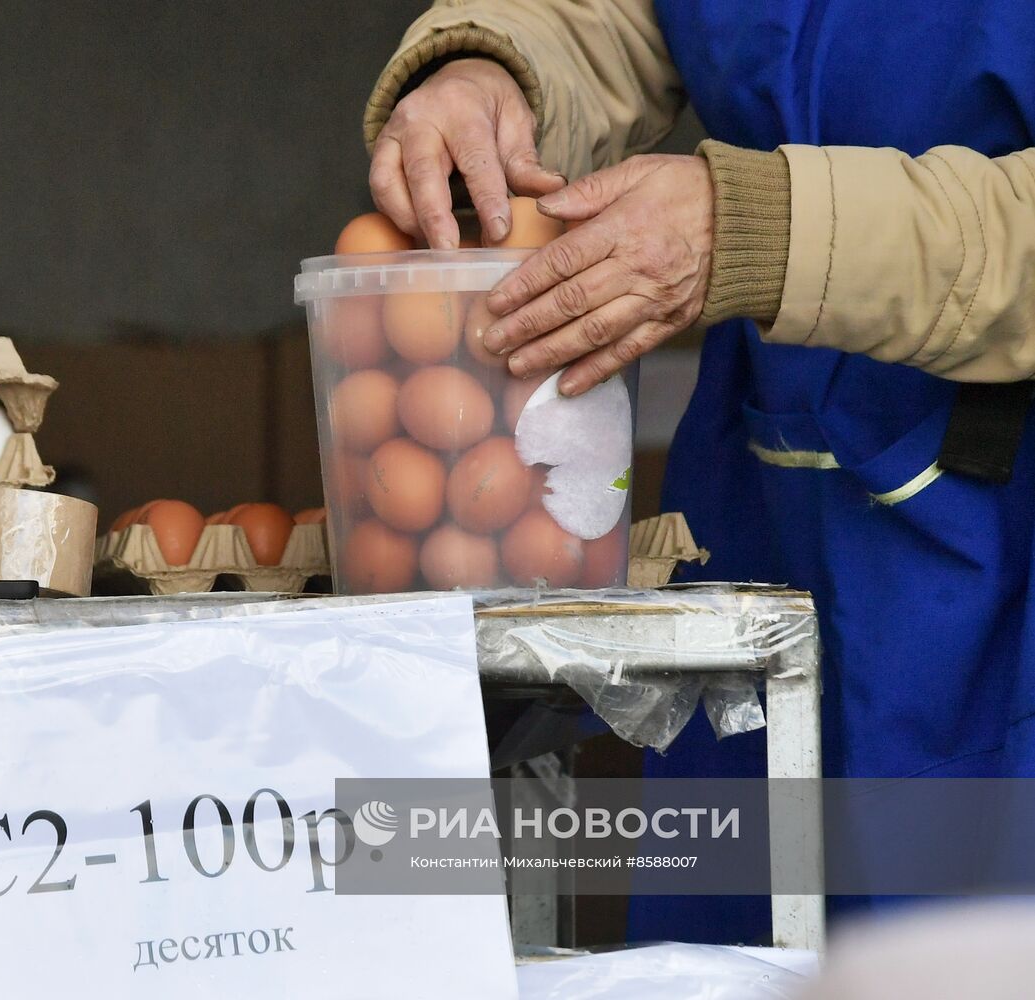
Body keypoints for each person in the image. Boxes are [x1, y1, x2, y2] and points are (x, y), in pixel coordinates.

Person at [362, 0, 1035, 943]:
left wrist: (767, 227)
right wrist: (494, 68)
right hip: (771, 492)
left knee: (970, 940)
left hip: (1007, 521)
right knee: (738, 930)